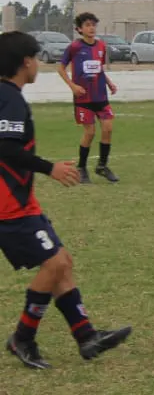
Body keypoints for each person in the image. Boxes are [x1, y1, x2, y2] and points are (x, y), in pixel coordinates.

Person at [1, 31, 132, 369]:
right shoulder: (9, 98)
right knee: (55, 264)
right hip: (9, 207)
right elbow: (5, 148)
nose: (38, 64)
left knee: (62, 262)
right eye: (36, 59)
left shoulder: (7, 95)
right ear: (25, 62)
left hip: (21, 202)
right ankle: (23, 338)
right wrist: (50, 168)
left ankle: (86, 335)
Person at [57, 13, 118, 184]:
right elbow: (60, 68)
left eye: (93, 25)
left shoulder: (101, 46)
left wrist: (109, 83)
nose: (91, 28)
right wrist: (72, 86)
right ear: (79, 29)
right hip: (83, 98)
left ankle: (102, 166)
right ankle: (82, 168)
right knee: (90, 132)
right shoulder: (74, 47)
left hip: (100, 96)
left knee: (108, 128)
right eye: (87, 25)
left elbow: (99, 69)